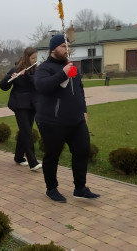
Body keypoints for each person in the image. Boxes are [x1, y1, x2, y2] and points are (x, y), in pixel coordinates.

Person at [34, 34, 100, 203]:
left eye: (69, 46)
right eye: (64, 46)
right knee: (53, 154)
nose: (67, 49)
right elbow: (42, 87)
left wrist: (83, 110)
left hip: (76, 119)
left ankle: (80, 188)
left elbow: (80, 89)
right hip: (52, 121)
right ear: (53, 49)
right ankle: (51, 188)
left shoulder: (72, 67)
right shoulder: (44, 68)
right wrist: (62, 74)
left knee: (82, 150)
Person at [0, 47, 42, 171]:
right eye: (33, 58)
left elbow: (37, 83)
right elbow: (3, 86)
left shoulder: (35, 70)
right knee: (27, 132)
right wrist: (11, 78)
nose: (35, 60)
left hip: (32, 105)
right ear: (26, 58)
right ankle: (32, 162)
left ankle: (18, 157)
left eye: (36, 58)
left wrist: (27, 75)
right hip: (20, 105)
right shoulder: (16, 69)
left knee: (25, 131)